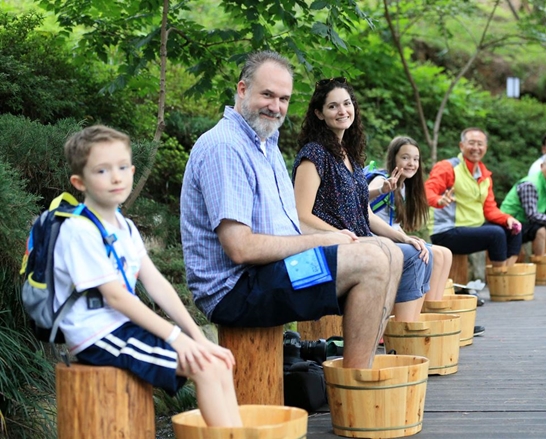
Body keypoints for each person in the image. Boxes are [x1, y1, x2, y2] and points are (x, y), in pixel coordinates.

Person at [180, 52, 401, 369]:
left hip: (272, 273)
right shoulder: (225, 146)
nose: (276, 106)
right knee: (371, 262)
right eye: (267, 94)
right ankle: (358, 384)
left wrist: (338, 236)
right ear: (242, 90)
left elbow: (289, 226)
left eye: (283, 98)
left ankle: (357, 376)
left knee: (385, 250)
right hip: (238, 290)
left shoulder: (264, 144)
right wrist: (321, 241)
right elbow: (240, 248)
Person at [57, 125, 242, 427]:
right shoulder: (80, 230)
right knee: (206, 368)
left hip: (120, 327)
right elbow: (116, 296)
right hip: (96, 335)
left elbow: (156, 282)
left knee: (217, 361)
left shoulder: (123, 226)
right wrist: (176, 338)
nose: (116, 177)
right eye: (101, 171)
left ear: (131, 169)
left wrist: (197, 337)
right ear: (80, 182)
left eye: (121, 167)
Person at [292, 78, 431, 322]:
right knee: (409, 257)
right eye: (333, 106)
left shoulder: (350, 156)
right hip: (332, 247)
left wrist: (404, 237)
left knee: (419, 250)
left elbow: (364, 214)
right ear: (319, 114)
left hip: (360, 240)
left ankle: (402, 336)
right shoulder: (313, 154)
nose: (342, 111)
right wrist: (346, 236)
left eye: (347, 103)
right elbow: (301, 215)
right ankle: (397, 337)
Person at [365, 136, 453, 302]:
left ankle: (433, 310)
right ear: (393, 158)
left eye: (415, 159)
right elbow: (362, 201)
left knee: (445, 254)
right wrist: (382, 190)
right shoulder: (381, 180)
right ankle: (421, 313)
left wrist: (407, 237)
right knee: (429, 255)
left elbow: (392, 223)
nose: (411, 163)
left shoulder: (405, 187)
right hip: (374, 239)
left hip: (391, 238)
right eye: (405, 158)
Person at [425, 127, 523, 268]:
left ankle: (506, 275)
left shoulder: (485, 175)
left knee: (514, 229)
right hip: (447, 231)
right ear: (461, 146)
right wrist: (438, 200)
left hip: (474, 228)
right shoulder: (447, 167)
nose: (476, 147)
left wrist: (507, 218)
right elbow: (427, 191)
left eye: (480, 144)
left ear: (486, 147)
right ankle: (500, 278)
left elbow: (490, 210)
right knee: (496, 234)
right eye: (471, 143)